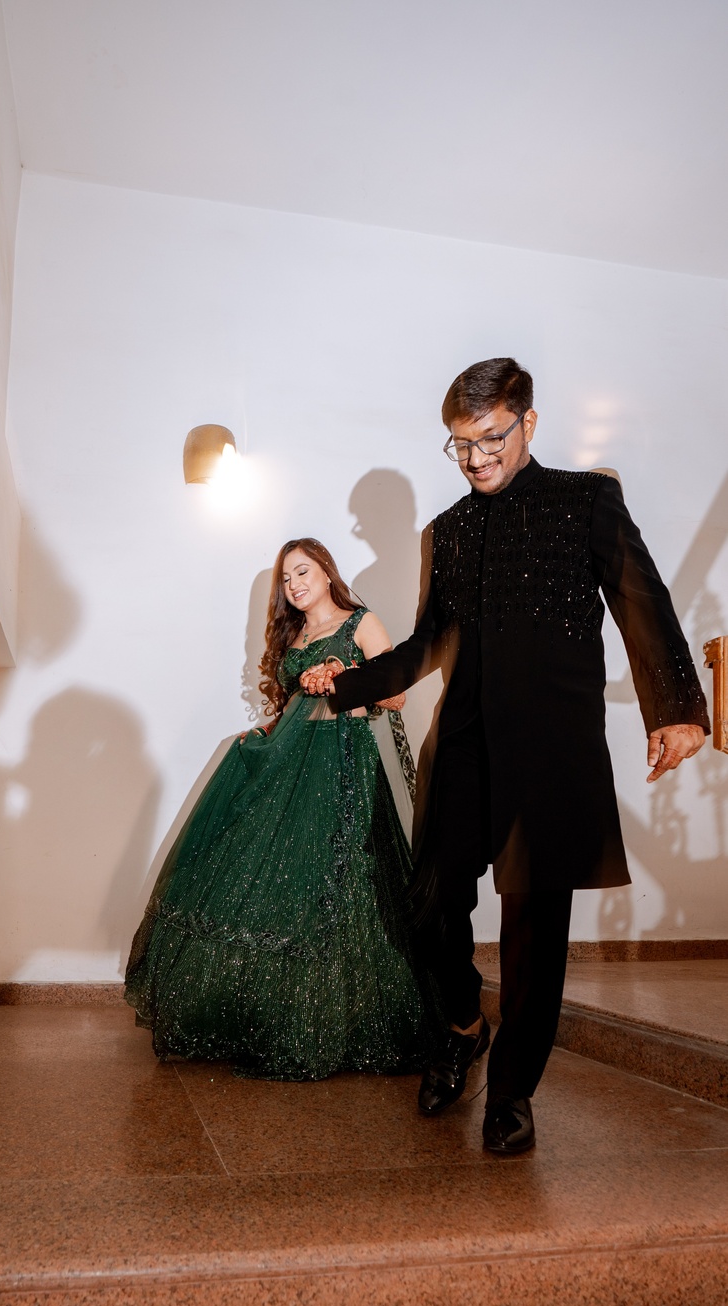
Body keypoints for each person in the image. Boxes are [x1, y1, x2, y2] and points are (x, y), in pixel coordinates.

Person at [302, 358, 709, 1153]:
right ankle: (463, 1027)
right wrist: (346, 684)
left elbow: (640, 598)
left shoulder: (584, 500)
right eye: (460, 443)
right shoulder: (448, 529)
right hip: (462, 745)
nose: (476, 457)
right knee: (427, 907)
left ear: (528, 422)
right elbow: (427, 643)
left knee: (533, 934)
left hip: (551, 755)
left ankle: (513, 1090)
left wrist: (674, 711)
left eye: (490, 438)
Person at [125, 538, 443, 1080]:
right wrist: (270, 727)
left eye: (303, 572)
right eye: (286, 578)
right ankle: (265, 1016)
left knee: (338, 883)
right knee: (273, 881)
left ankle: (340, 1022)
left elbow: (395, 697)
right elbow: (296, 704)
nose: (294, 585)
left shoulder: (361, 623)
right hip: (290, 761)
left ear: (326, 571)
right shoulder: (295, 636)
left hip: (340, 763)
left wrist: (343, 672)